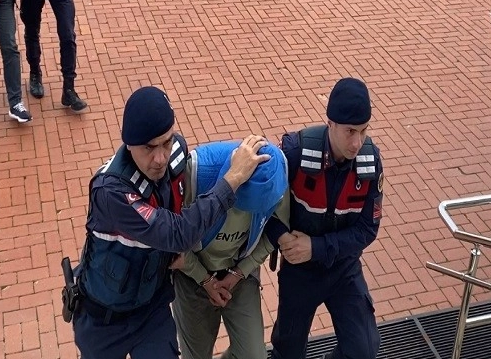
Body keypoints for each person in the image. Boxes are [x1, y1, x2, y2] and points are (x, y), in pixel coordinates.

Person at [70, 86, 270, 359]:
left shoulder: (177, 154)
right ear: (128, 144)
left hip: (151, 311)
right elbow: (178, 234)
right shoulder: (111, 192)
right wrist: (233, 178)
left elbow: (185, 214)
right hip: (104, 320)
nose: (161, 158)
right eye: (149, 148)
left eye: (166, 142)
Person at [270, 77, 384, 359]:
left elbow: (367, 229)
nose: (357, 142)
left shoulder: (370, 164)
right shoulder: (294, 153)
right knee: (288, 352)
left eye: (364, 130)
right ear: (330, 123)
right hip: (300, 272)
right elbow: (264, 210)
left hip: (343, 268)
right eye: (350, 131)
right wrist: (281, 237)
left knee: (364, 350)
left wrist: (316, 247)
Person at [171, 140, 290, 359]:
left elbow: (275, 232)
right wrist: (205, 280)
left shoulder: (278, 171)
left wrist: (239, 273)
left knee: (254, 356)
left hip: (239, 271)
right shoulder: (195, 173)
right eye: (241, 205)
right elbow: (174, 242)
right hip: (192, 274)